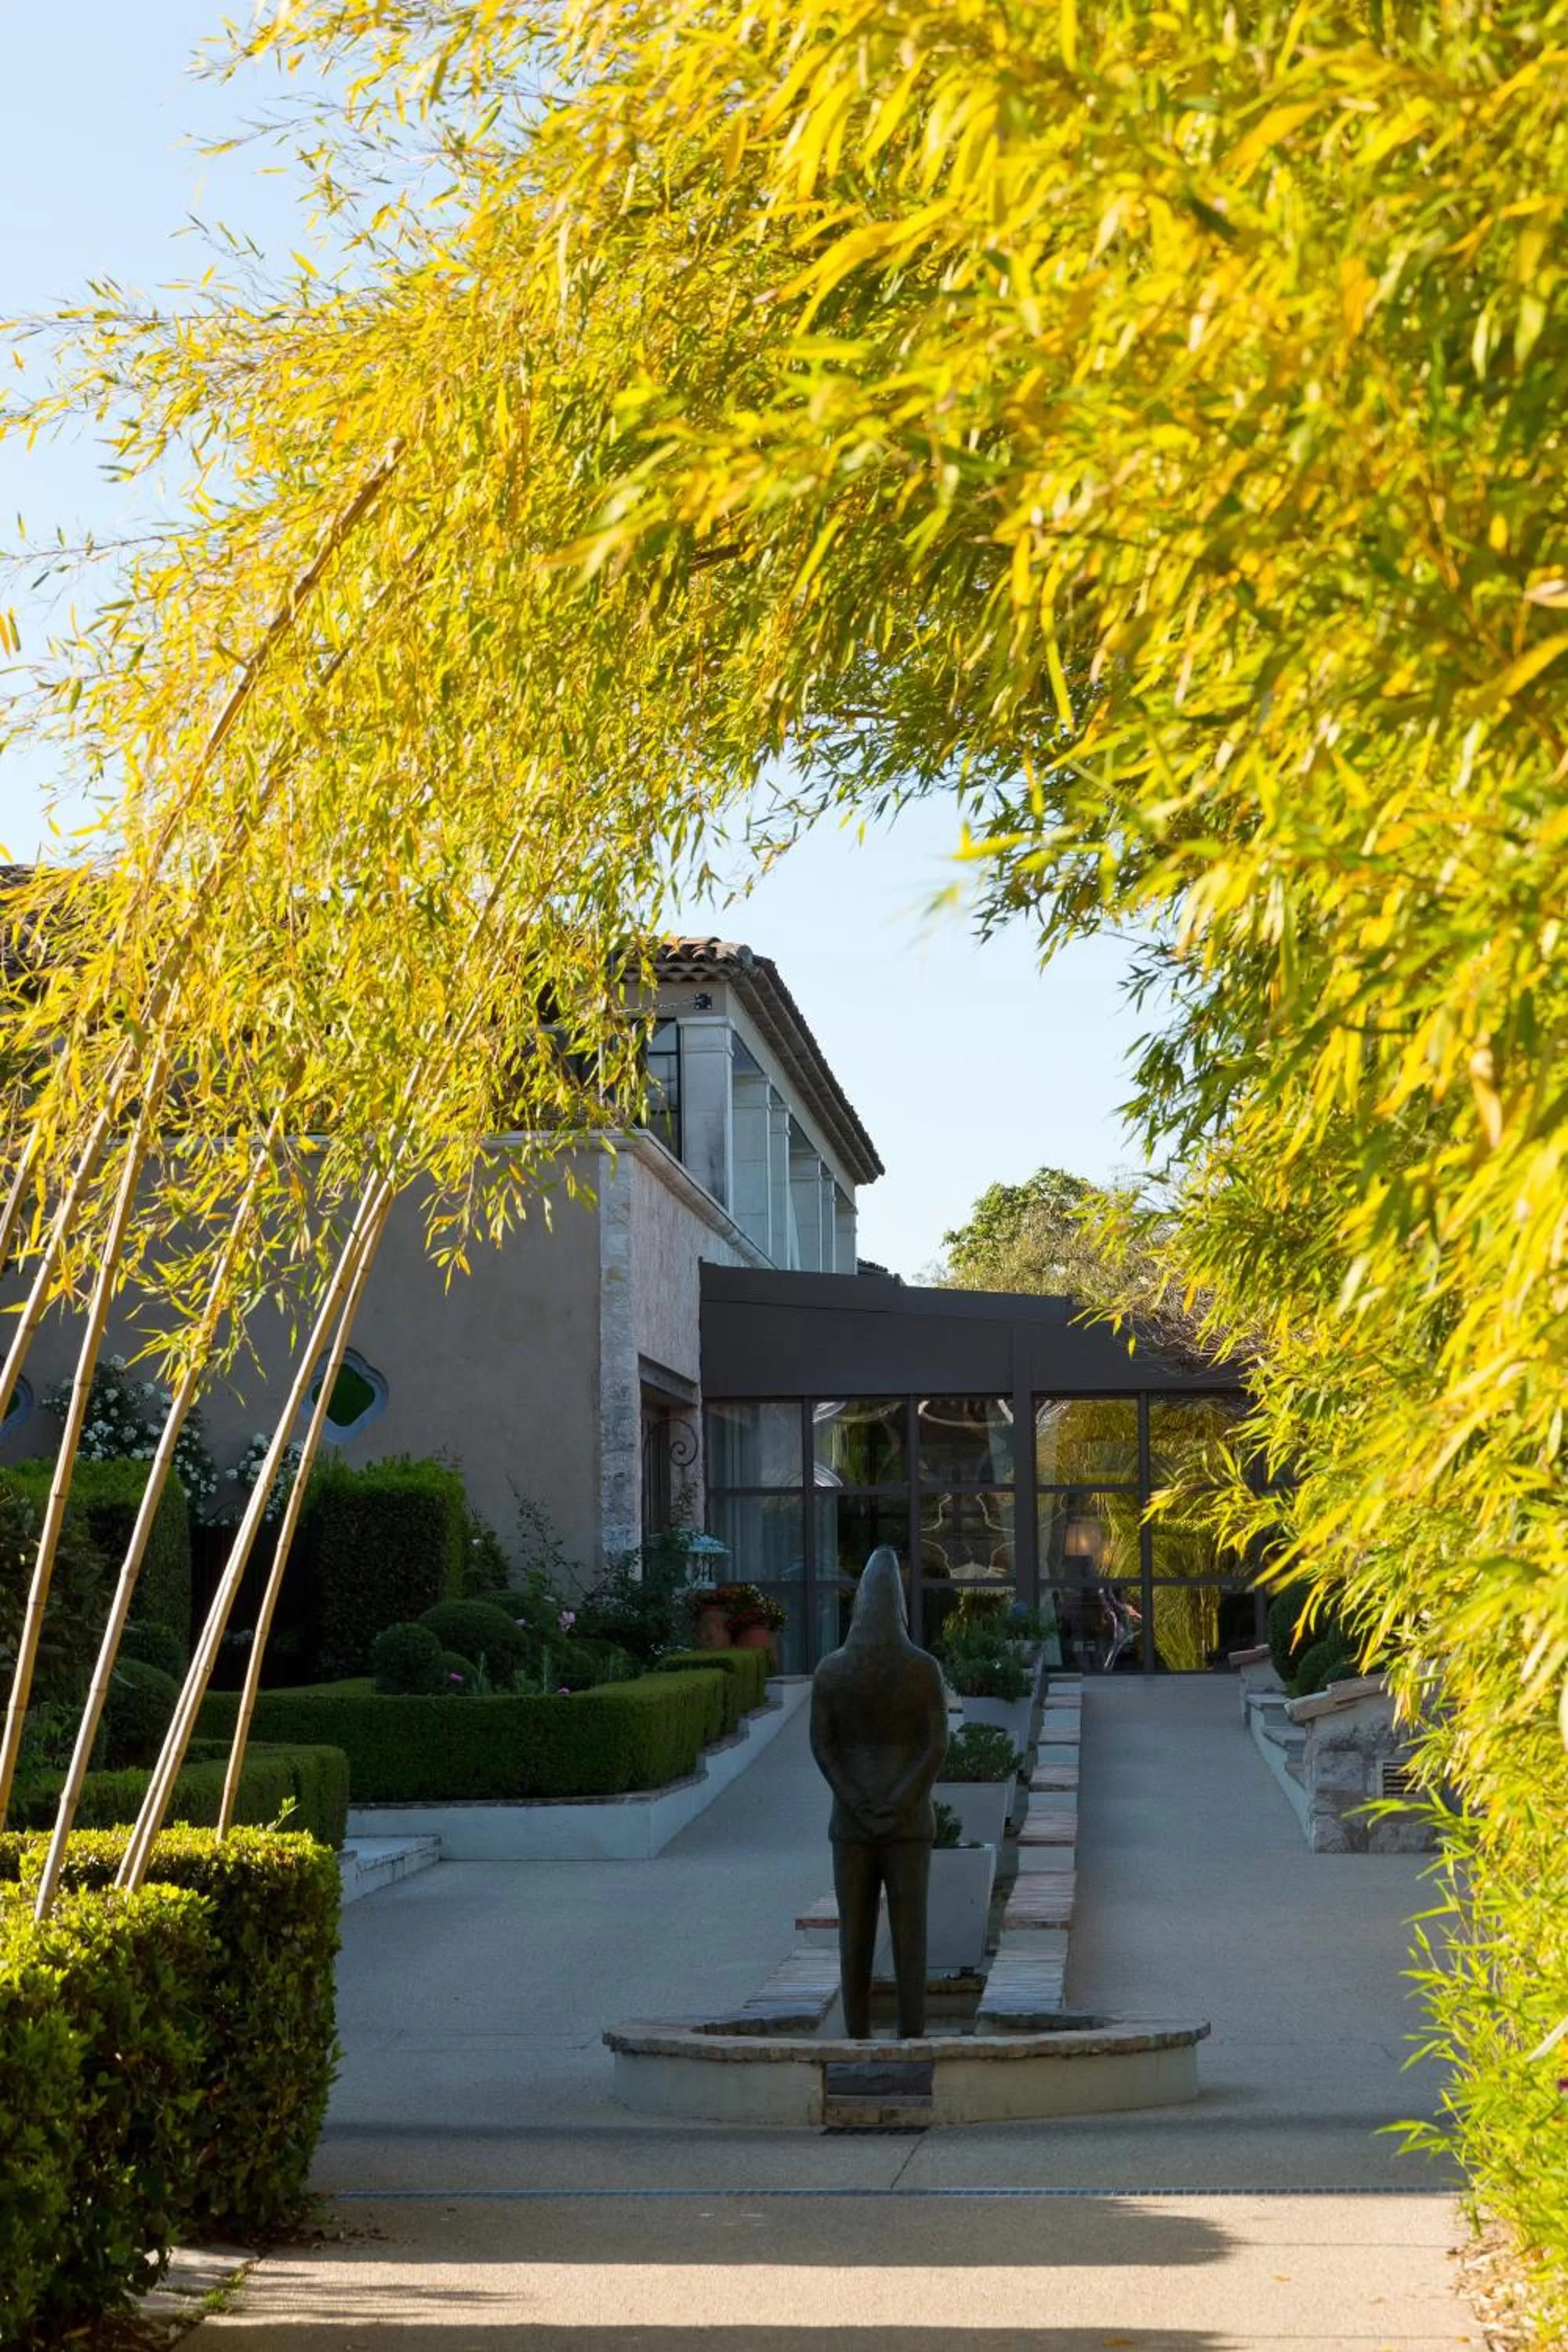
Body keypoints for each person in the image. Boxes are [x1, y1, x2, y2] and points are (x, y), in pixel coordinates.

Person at [809, 1546, 948, 2038]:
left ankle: (857, 2033)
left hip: (852, 1820)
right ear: (900, 1607)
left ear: (859, 1605)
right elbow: (935, 1745)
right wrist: (901, 1800)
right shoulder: (922, 1669)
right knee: (912, 1931)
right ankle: (914, 2031)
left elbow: (822, 1749)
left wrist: (856, 1799)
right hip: (908, 1821)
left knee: (855, 1933)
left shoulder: (832, 1670)